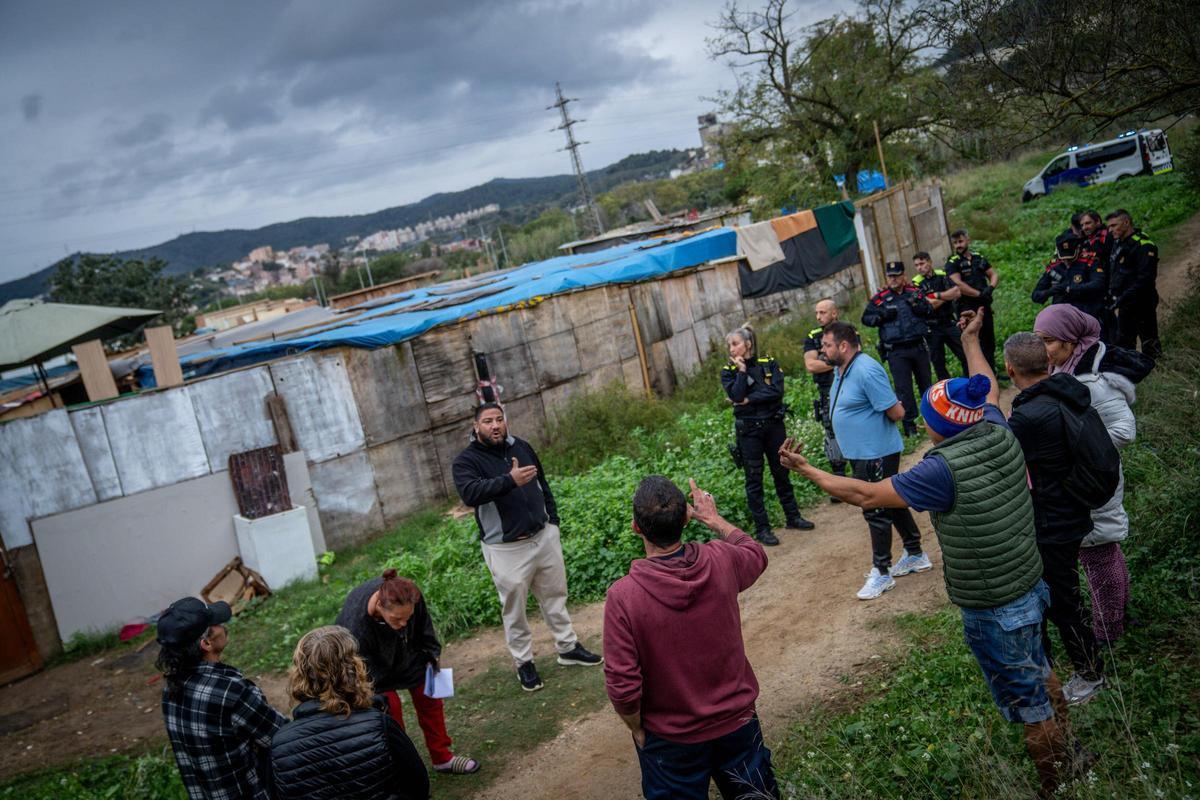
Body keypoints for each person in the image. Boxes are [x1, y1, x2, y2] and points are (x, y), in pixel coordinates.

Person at [778, 308, 1090, 800]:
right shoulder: (996, 425)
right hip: (1030, 587)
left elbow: (866, 495)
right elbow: (984, 384)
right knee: (1044, 676)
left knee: (1032, 708)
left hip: (995, 606)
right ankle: (1072, 755)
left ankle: (1056, 786)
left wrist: (807, 471)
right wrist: (969, 341)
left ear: (937, 427)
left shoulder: (941, 470)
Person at [603, 476, 779, 800]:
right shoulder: (721, 559)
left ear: (635, 527)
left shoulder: (623, 596)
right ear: (687, 517)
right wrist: (714, 520)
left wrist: (637, 728)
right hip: (737, 721)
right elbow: (755, 553)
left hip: (671, 738)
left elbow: (623, 686)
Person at [451, 402, 602, 692]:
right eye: (487, 421)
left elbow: (543, 483)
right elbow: (470, 494)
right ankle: (524, 663)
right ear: (476, 426)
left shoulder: (521, 446)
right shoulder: (466, 461)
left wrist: (553, 521)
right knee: (514, 610)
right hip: (506, 549)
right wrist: (509, 480)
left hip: (543, 536)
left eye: (498, 419)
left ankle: (568, 647)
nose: (494, 425)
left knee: (555, 596)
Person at [1034, 305, 1153, 642]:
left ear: (1072, 342)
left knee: (1096, 554)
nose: (1043, 350)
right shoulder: (1068, 372)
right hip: (1088, 478)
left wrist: (1080, 451)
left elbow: (1125, 430)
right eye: (1039, 340)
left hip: (1093, 482)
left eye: (1049, 341)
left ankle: (1108, 631)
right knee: (1104, 550)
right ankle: (1119, 616)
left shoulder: (1093, 383)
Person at [1004, 331, 1109, 704]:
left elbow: (1003, 452)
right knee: (1062, 594)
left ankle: (1089, 673)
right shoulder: (1067, 392)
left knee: (1062, 600)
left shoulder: (1030, 415)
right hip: (1073, 509)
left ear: (1010, 368)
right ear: (1048, 363)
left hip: (1052, 520)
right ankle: (1072, 666)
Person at [821, 321, 931, 599]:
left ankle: (881, 572)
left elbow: (896, 411)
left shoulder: (867, 369)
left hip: (876, 452)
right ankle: (916, 553)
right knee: (891, 501)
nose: (823, 349)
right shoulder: (840, 368)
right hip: (860, 452)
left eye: (827, 345)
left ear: (843, 346)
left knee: (875, 508)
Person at [335, 570, 479, 775]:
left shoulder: (411, 597)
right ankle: (401, 769)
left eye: (407, 618)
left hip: (407, 654)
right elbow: (356, 664)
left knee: (431, 697)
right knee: (390, 712)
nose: (404, 623)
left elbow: (424, 629)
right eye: (397, 619)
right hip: (371, 665)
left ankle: (442, 758)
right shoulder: (355, 624)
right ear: (379, 606)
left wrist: (432, 657)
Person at [270, 625, 430, 799]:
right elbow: (418, 785)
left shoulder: (279, 745)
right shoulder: (379, 726)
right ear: (354, 668)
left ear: (300, 674)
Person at [155, 597, 286, 800]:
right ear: (206, 643)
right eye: (213, 623)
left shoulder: (169, 690)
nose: (221, 625)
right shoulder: (230, 692)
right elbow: (282, 737)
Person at [721, 325, 815, 545]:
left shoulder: (768, 363)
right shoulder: (729, 371)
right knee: (754, 479)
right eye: (729, 346)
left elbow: (777, 391)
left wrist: (749, 399)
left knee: (782, 471)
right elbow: (736, 394)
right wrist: (742, 372)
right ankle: (763, 529)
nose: (731, 349)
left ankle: (793, 517)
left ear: (748, 344)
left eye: (735, 344)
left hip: (774, 426)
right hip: (749, 432)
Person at [862, 260, 935, 436]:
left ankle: (933, 420)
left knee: (926, 384)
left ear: (904, 276)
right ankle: (909, 426)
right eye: (890, 276)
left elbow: (929, 310)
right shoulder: (880, 298)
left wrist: (918, 307)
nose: (893, 279)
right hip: (897, 351)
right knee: (904, 389)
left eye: (896, 276)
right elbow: (866, 319)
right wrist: (881, 316)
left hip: (918, 346)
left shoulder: (914, 292)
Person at [804, 298, 849, 489]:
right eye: (816, 312)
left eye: (822, 312)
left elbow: (855, 355)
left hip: (849, 386)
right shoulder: (813, 336)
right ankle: (838, 476)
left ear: (834, 313)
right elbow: (810, 365)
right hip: (826, 390)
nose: (818, 316)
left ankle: (861, 468)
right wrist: (837, 361)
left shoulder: (846, 331)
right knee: (831, 431)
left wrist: (828, 361)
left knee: (854, 424)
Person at [1106, 209, 1162, 359]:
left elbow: (1146, 279)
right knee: (1124, 342)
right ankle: (1131, 374)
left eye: (1113, 225)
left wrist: (1123, 297)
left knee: (1149, 340)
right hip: (1125, 303)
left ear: (1126, 223)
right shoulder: (1118, 244)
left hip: (1142, 300)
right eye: (1109, 226)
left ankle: (1160, 372)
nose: (1110, 230)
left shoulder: (1144, 244)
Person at [946, 228, 1002, 377]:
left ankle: (992, 374)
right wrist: (979, 294)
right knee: (973, 342)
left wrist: (990, 288)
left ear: (967, 240)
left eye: (961, 241)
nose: (958, 245)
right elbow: (958, 284)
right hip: (967, 307)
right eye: (955, 243)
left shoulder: (978, 257)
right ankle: (977, 377)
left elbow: (993, 274)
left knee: (989, 341)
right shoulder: (953, 262)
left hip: (984, 305)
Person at [1030, 235, 1109, 336]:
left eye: (1070, 257)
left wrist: (1070, 289)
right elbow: (1036, 295)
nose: (1066, 261)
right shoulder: (1054, 267)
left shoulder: (1090, 262)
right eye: (1063, 257)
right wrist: (1051, 291)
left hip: (1088, 315)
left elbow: (1098, 284)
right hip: (1063, 319)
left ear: (1078, 249)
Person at [912, 251, 966, 381]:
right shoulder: (916, 283)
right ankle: (947, 392)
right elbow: (926, 304)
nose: (919, 267)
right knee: (938, 362)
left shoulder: (942, 274)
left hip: (949, 322)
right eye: (916, 265)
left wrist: (936, 296)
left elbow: (957, 292)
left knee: (964, 354)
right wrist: (947, 296)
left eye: (922, 263)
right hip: (931, 327)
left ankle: (969, 382)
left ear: (929, 262)